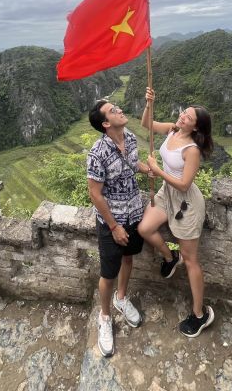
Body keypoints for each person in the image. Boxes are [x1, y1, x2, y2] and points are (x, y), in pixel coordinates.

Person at [138, 87, 215, 337]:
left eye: (188, 118)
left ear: (196, 128)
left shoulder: (191, 149)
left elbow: (184, 184)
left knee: (191, 259)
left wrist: (156, 169)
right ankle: (170, 259)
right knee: (144, 228)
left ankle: (200, 314)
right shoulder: (172, 129)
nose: (182, 117)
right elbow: (147, 124)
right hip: (165, 194)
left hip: (186, 204)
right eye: (184, 112)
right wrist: (150, 102)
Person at [87, 99, 151, 357]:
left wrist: (147, 169)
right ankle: (104, 316)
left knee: (128, 259)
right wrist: (114, 226)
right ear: (105, 123)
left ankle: (121, 298)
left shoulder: (132, 138)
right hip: (111, 221)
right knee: (108, 272)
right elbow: (95, 193)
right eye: (113, 110)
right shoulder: (97, 152)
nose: (120, 110)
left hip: (135, 212)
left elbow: (132, 164)